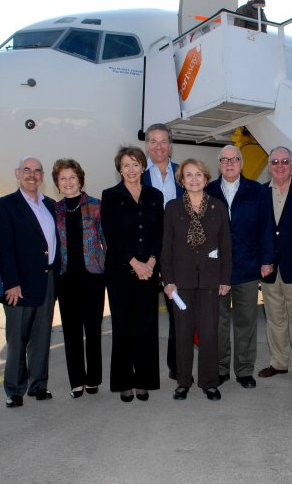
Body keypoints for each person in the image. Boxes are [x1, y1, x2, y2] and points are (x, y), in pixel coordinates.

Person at [162, 159, 232, 401]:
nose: (193, 179)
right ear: (182, 180)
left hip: (210, 280)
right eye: (188, 175)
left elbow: (226, 246)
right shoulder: (172, 208)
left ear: (206, 178)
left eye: (198, 175)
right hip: (180, 282)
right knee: (182, 333)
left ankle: (209, 382)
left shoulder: (218, 207)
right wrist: (168, 280)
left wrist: (225, 278)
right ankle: (183, 382)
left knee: (209, 332)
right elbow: (166, 248)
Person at [0, 157, 59, 408]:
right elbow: (4, 248)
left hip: (47, 278)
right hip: (19, 284)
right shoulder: (4, 206)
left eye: (37, 171)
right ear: (17, 173)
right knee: (17, 338)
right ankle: (14, 389)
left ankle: (38, 385)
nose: (32, 175)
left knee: (42, 336)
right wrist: (11, 282)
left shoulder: (50, 205)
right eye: (27, 171)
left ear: (42, 176)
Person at [205, 145, 273, 388]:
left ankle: (244, 371)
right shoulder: (208, 190)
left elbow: (266, 226)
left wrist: (266, 260)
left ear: (242, 163)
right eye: (224, 160)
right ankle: (221, 369)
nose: (230, 164)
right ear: (219, 164)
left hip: (247, 266)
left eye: (234, 159)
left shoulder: (256, 190)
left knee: (246, 322)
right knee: (218, 322)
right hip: (216, 269)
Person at [101, 147, 163, 402]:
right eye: (125, 165)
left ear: (143, 167)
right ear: (119, 168)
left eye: (135, 164)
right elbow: (111, 234)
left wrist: (151, 261)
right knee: (123, 326)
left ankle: (145, 381)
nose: (130, 170)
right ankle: (124, 382)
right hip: (121, 271)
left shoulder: (155, 195)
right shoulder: (111, 195)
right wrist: (135, 263)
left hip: (149, 271)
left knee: (146, 326)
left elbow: (160, 231)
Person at [258, 146, 292, 386]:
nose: (280, 166)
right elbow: (256, 231)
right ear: (269, 165)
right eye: (275, 162)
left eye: (285, 161)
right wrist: (262, 260)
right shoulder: (259, 193)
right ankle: (278, 362)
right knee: (275, 319)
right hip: (268, 269)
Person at [52, 158, 106, 399]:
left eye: (72, 177)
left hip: (92, 278)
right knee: (71, 332)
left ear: (80, 179)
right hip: (66, 280)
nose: (68, 182)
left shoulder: (96, 206)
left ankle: (93, 378)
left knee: (93, 330)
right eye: (63, 178)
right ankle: (76, 381)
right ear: (57, 183)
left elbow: (107, 241)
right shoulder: (55, 210)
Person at [142, 123, 183, 380]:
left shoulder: (181, 173)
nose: (159, 146)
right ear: (147, 145)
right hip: (147, 254)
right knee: (145, 315)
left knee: (178, 313)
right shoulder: (137, 174)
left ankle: (176, 365)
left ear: (170, 145)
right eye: (153, 141)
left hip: (177, 253)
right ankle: (146, 370)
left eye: (163, 141)